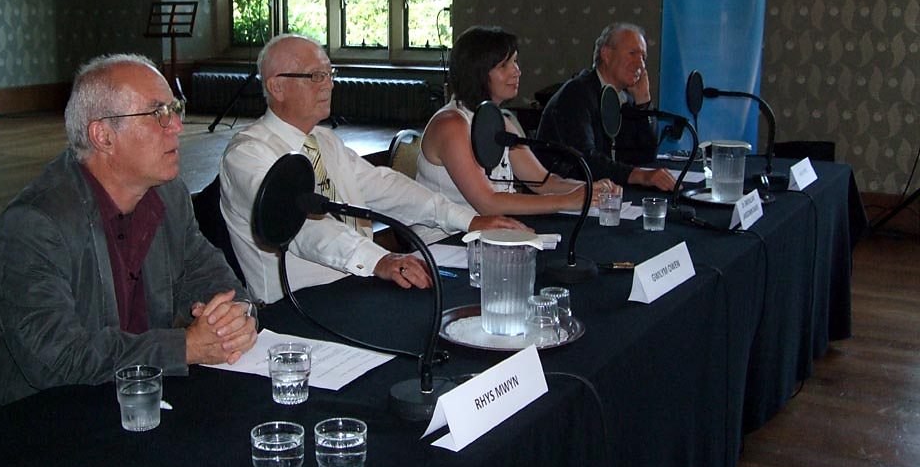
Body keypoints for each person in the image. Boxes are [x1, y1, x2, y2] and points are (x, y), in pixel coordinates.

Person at [0, 54, 258, 423]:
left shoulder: (168, 195)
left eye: (175, 109)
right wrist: (185, 347)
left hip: (125, 401)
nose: (177, 125)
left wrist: (236, 317)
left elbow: (209, 276)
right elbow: (57, 359)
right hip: (25, 424)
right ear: (103, 136)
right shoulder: (35, 224)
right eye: (158, 113)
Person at [220, 34, 528, 304]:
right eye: (315, 76)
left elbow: (387, 188)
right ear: (277, 86)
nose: (329, 84)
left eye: (330, 73)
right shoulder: (247, 155)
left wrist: (468, 220)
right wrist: (378, 259)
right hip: (296, 308)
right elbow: (304, 228)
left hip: (357, 287)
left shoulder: (324, 141)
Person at [416, 25, 617, 221]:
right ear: (477, 72)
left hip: (495, 231)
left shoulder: (501, 122)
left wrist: (590, 188)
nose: (517, 71)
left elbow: (543, 182)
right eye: (504, 65)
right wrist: (567, 201)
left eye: (515, 62)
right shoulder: (451, 125)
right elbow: (488, 203)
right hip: (447, 238)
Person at [535, 22, 676, 191]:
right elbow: (584, 159)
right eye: (632, 53)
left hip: (606, 192)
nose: (640, 64)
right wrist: (640, 175)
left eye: (643, 57)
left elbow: (645, 155)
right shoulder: (576, 94)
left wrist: (643, 102)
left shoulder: (625, 97)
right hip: (564, 196)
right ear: (606, 55)